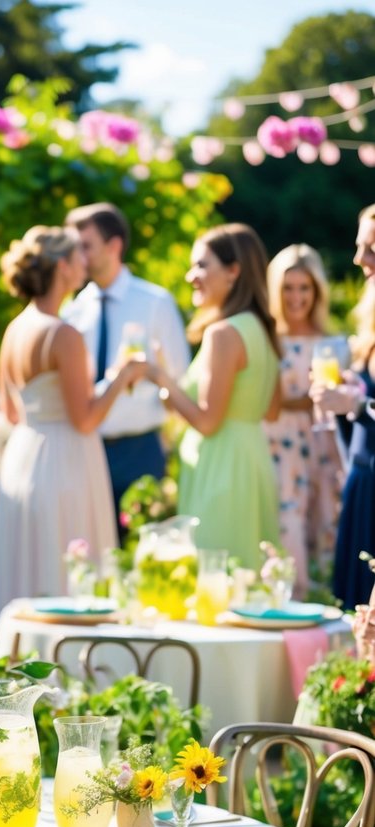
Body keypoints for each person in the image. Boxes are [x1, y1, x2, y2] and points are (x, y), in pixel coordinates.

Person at [0, 225, 144, 636]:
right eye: (77, 257)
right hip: (65, 462)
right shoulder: (63, 333)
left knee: (31, 561)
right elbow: (86, 418)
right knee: (64, 563)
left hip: (24, 457)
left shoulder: (15, 329)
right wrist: (120, 377)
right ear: (61, 266)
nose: (84, 264)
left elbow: (10, 412)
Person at [141, 223, 281, 570]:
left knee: (217, 579)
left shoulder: (223, 333)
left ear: (233, 271)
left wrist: (158, 376)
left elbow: (207, 420)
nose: (192, 276)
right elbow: (272, 410)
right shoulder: (261, 328)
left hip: (222, 472)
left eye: (202, 265)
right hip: (250, 461)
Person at [64, 202, 190, 516]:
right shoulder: (73, 311)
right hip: (85, 447)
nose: (78, 257)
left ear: (114, 245)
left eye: (86, 246)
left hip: (141, 449)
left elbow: (181, 378)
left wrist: (151, 379)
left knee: (142, 548)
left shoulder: (155, 302)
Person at [264, 244, 349, 598]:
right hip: (279, 445)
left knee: (329, 519)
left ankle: (333, 599)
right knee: (287, 522)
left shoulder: (337, 344)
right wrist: (303, 401)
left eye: (304, 287)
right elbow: (268, 405)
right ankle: (293, 595)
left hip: (323, 444)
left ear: (317, 291)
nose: (296, 297)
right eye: (288, 288)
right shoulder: (269, 339)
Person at [311, 204, 375, 609]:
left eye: (372, 248)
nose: (358, 259)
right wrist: (351, 396)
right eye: (359, 246)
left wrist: (360, 402)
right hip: (364, 480)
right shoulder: (368, 322)